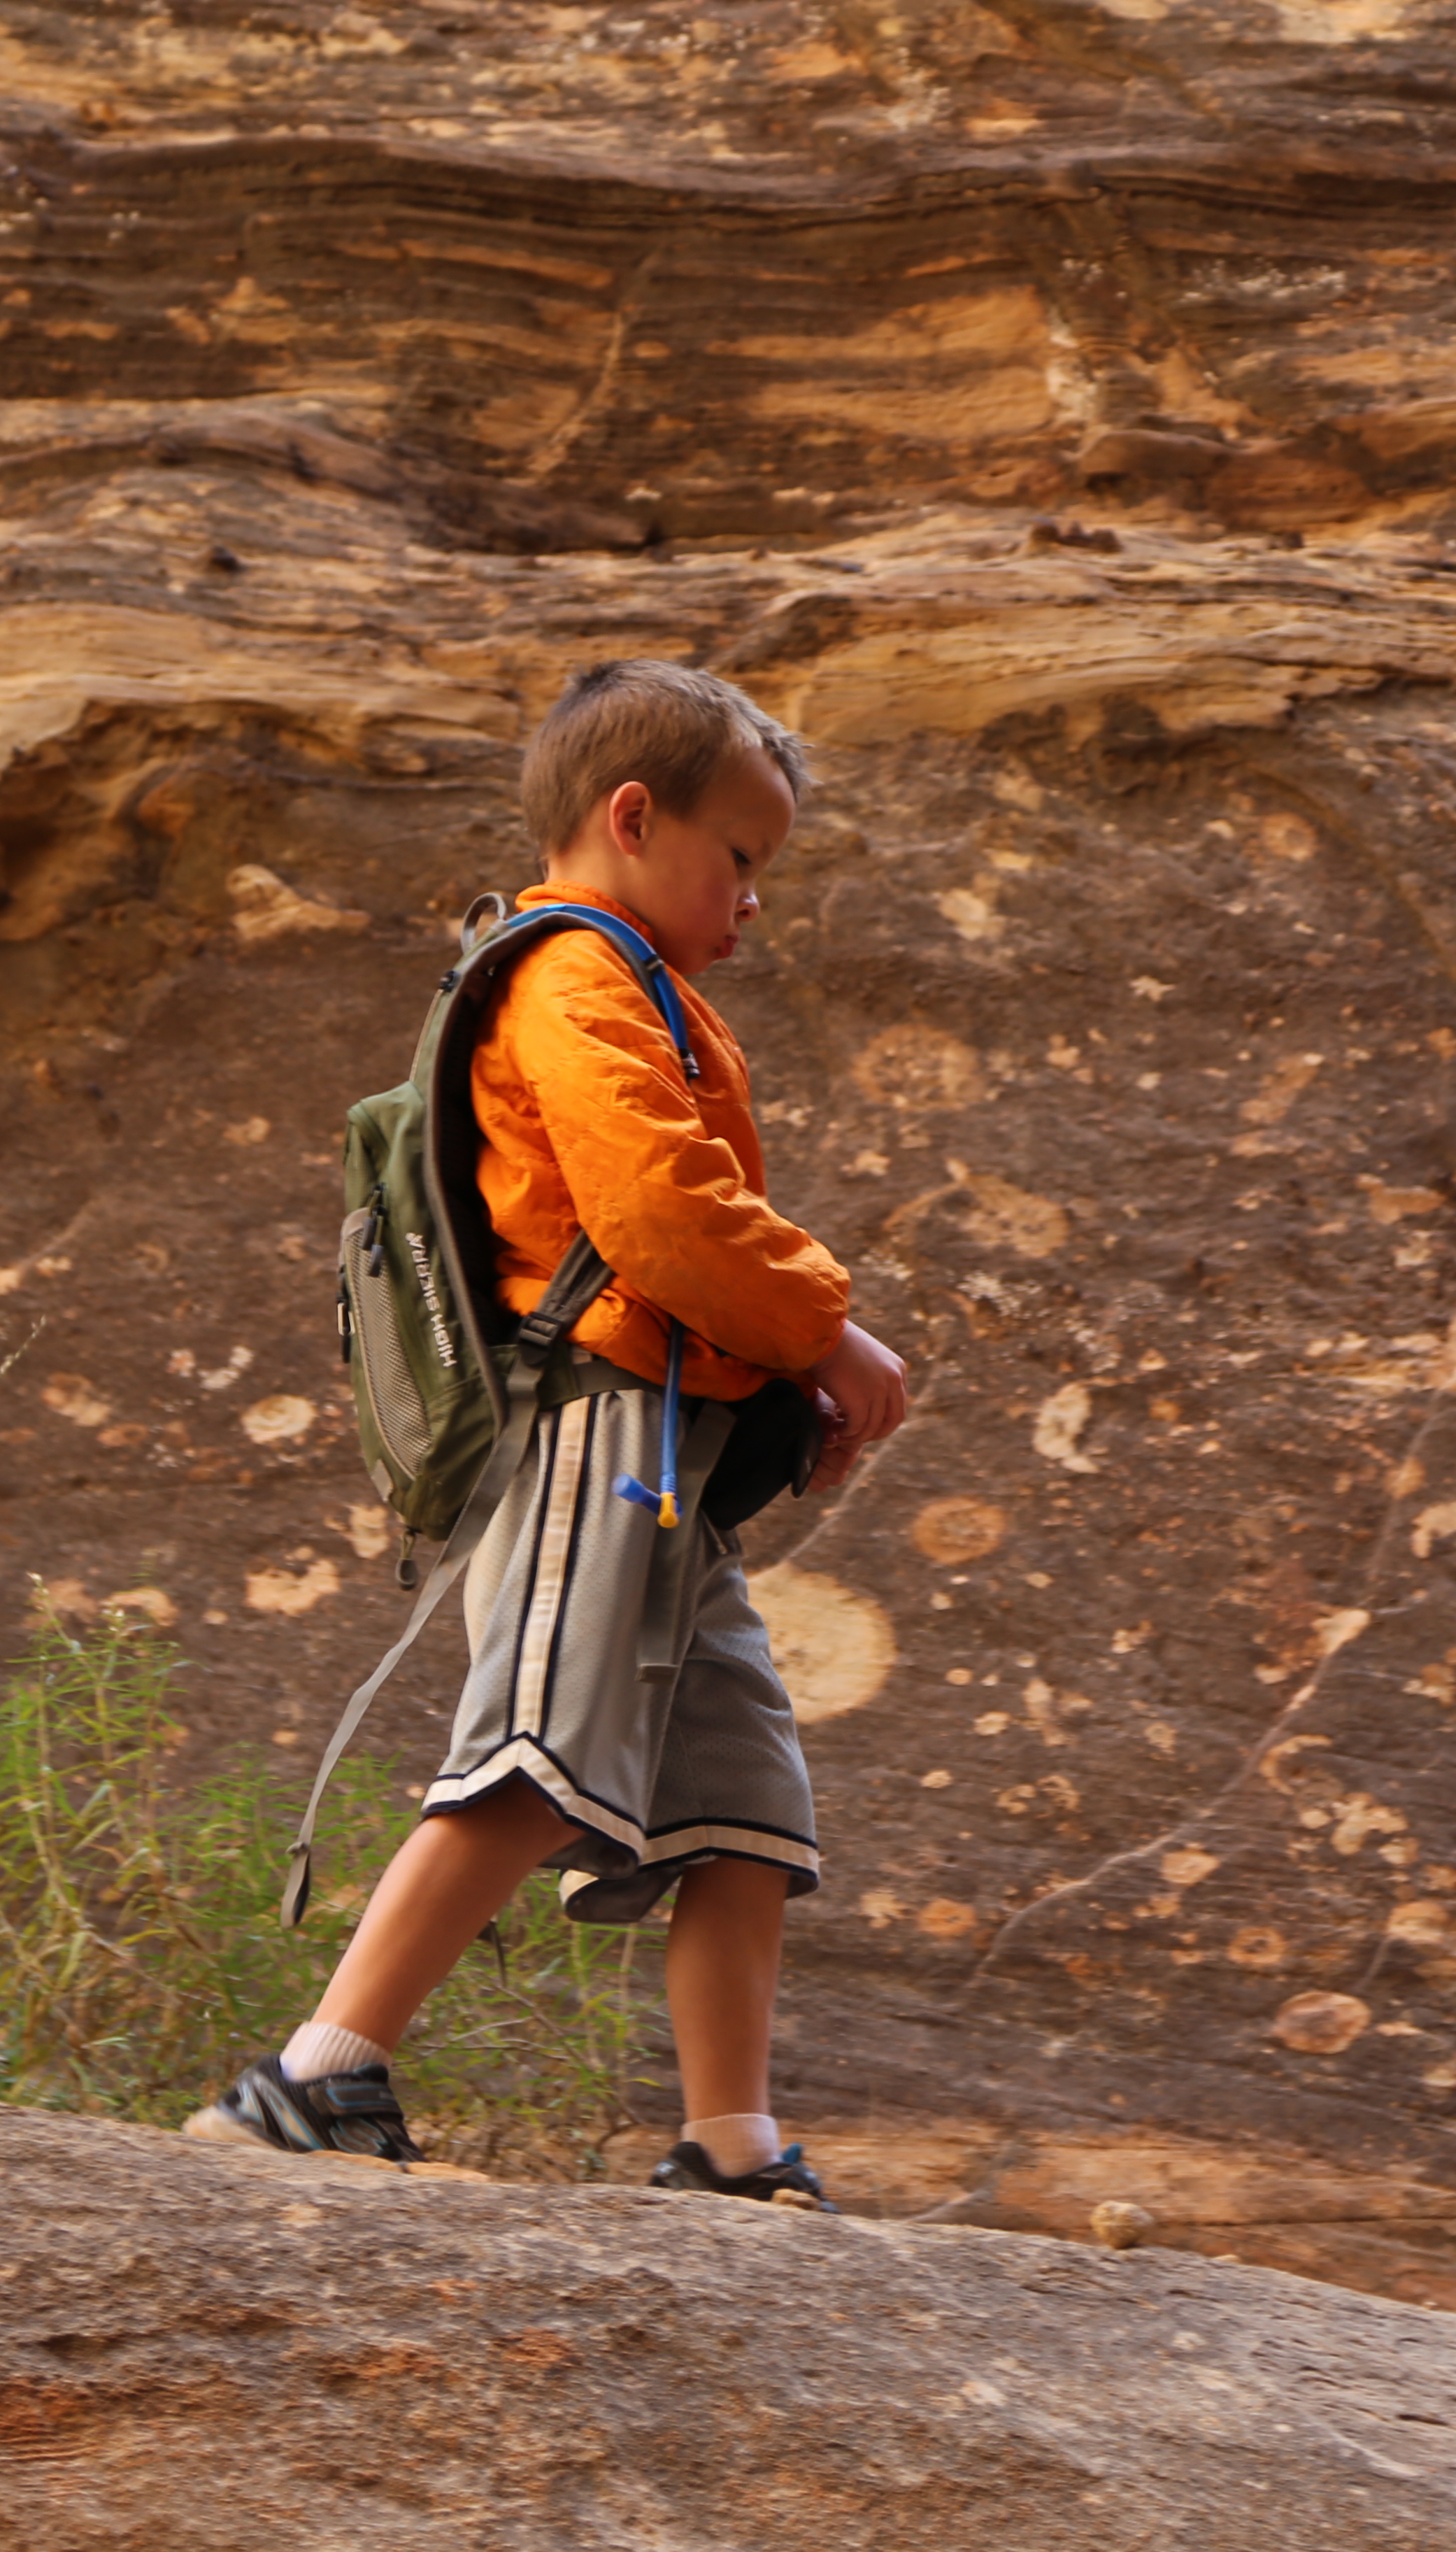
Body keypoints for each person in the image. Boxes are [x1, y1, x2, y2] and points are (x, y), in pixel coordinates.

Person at [192, 660, 913, 2206]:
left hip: (667, 1464)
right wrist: (826, 1328)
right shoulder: (571, 977)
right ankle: (313, 2080)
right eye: (742, 858)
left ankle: (731, 2144)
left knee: (742, 1802)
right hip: (592, 1435)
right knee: (537, 1753)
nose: (755, 902)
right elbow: (660, 1217)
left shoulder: (639, 988)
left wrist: (776, 1380)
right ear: (633, 817)